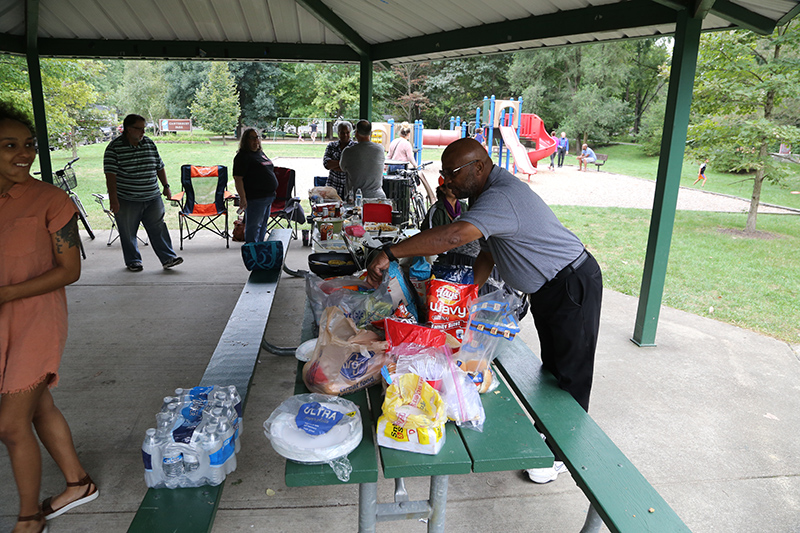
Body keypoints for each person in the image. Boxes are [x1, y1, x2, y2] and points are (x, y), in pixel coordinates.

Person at [366, 138, 603, 484]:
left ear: (478, 166)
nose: (446, 182)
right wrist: (466, 299)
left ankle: (562, 453)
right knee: (554, 369)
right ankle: (549, 436)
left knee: (572, 372)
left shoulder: (501, 196)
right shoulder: (482, 194)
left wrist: (391, 251)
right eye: (443, 173)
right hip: (552, 288)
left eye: (452, 173)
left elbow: (454, 236)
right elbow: (489, 253)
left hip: (571, 283)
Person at [0, 102, 99, 533]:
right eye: (10, 145)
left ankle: (27, 518)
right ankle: (78, 483)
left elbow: (69, 271)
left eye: (29, 145)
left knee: (9, 424)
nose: (24, 153)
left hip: (36, 318)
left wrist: (6, 294)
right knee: (38, 404)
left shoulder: (51, 200)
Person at [103, 114, 183, 272]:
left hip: (152, 196)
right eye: (139, 129)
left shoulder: (149, 143)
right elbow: (110, 177)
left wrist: (166, 186)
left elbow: (159, 166)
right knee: (127, 232)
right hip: (126, 199)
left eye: (144, 129)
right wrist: (114, 201)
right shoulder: (114, 148)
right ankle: (133, 261)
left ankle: (168, 258)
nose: (143, 132)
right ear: (128, 129)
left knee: (158, 228)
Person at [232, 127, 279, 243]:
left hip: (268, 197)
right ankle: (251, 254)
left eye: (257, 137)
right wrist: (242, 198)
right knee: (253, 228)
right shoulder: (242, 156)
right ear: (245, 140)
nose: (256, 140)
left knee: (262, 227)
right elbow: (238, 179)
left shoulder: (259, 153)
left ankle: (259, 251)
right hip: (255, 198)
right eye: (252, 138)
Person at [421, 181, 480, 265]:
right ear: (443, 189)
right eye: (451, 187)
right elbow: (429, 235)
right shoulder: (436, 210)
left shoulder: (464, 206)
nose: (455, 189)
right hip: (443, 256)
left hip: (463, 256)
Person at [339, 119, 386, 199]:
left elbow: (343, 168)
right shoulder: (380, 149)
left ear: (356, 133)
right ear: (371, 133)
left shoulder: (348, 151)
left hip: (356, 199)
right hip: (378, 197)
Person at [323, 121, 356, 201]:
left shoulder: (355, 147)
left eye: (347, 133)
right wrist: (345, 165)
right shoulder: (332, 146)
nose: (345, 135)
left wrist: (335, 165)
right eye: (342, 132)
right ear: (338, 133)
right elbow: (326, 164)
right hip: (333, 185)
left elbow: (355, 166)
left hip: (350, 187)